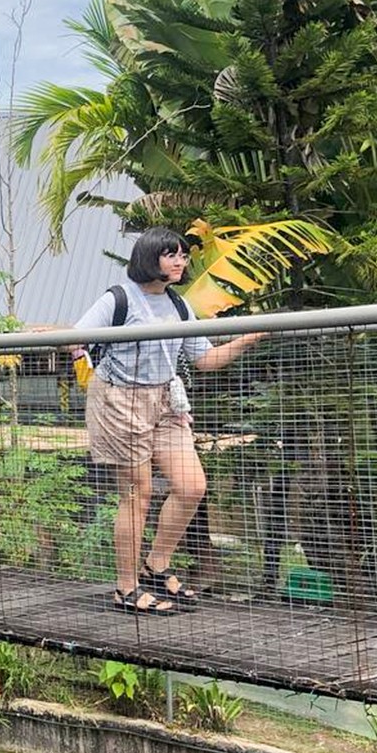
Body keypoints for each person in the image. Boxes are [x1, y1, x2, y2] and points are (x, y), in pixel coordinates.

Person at [74, 227, 264, 615]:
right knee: (137, 493)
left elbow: (205, 359)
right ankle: (126, 588)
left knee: (192, 486)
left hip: (165, 401)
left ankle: (156, 565)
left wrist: (249, 338)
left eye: (182, 255)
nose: (180, 261)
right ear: (149, 258)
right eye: (170, 254)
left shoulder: (178, 305)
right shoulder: (119, 298)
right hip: (120, 401)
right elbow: (78, 336)